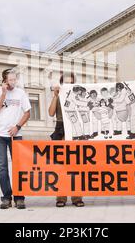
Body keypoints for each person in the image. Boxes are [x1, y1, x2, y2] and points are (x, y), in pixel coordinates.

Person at [0, 68, 31, 210]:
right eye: (11, 79)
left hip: (16, 135)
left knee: (19, 167)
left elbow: (27, 113)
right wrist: (3, 93)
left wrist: (17, 127)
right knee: (1, 168)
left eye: (15, 79)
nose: (14, 82)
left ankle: (19, 198)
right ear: (5, 81)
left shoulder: (21, 93)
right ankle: (6, 197)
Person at [48, 73, 85, 207]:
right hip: (60, 128)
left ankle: (77, 198)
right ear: (62, 83)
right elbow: (51, 113)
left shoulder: (79, 96)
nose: (68, 84)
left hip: (75, 129)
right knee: (60, 167)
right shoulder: (59, 96)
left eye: (71, 82)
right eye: (66, 82)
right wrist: (55, 96)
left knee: (76, 167)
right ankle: (61, 198)